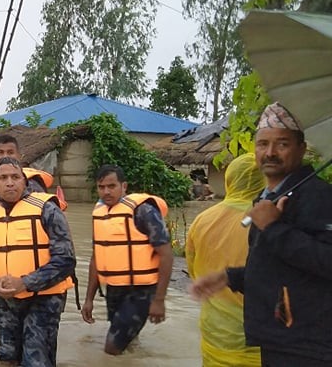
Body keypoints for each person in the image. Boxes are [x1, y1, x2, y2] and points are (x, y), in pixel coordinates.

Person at [190, 102, 332, 366]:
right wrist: (231, 277)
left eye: (282, 144)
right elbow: (279, 271)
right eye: (262, 144)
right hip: (274, 339)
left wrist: (274, 228)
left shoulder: (318, 197)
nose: (270, 153)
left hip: (307, 346)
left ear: (301, 149)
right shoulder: (267, 200)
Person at [0, 157, 76, 366]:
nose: (10, 182)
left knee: (36, 360)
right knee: (7, 357)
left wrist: (25, 283)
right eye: (4, 178)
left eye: (15, 177)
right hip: (5, 299)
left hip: (44, 298)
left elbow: (66, 260)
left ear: (24, 181)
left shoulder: (47, 209)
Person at [0, 134, 64, 321]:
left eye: (10, 152)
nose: (4, 156)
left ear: (19, 155)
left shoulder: (33, 186)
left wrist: (27, 281)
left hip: (27, 270)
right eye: (0, 152)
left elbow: (49, 234)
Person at [81, 165, 173, 355]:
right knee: (128, 343)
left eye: (111, 186)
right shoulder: (99, 214)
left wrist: (159, 300)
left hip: (141, 291)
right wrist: (88, 299)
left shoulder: (143, 211)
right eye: (101, 187)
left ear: (124, 186)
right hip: (114, 289)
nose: (106, 191)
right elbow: (96, 257)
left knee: (112, 348)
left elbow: (166, 254)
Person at [186, 153, 265, 366]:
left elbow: (194, 271)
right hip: (255, 341)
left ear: (229, 180)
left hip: (213, 331)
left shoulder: (202, 220)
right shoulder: (270, 222)